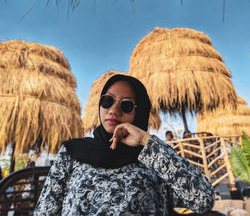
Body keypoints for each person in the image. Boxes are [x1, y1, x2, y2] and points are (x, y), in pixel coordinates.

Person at [34, 74, 215, 215]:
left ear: (140, 112)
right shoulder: (73, 151)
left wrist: (146, 142)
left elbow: (203, 200)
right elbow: (45, 210)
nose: (113, 110)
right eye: (107, 101)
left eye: (127, 105)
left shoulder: (156, 157)